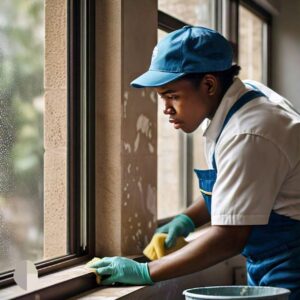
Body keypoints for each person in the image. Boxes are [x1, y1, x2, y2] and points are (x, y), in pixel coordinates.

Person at [90, 26, 300, 299]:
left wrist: (146, 272)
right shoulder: (244, 99)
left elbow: (228, 239)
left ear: (209, 84)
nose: (165, 108)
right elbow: (238, 190)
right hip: (272, 261)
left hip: (292, 264)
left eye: (173, 95)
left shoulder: (248, 134)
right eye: (161, 97)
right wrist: (186, 220)